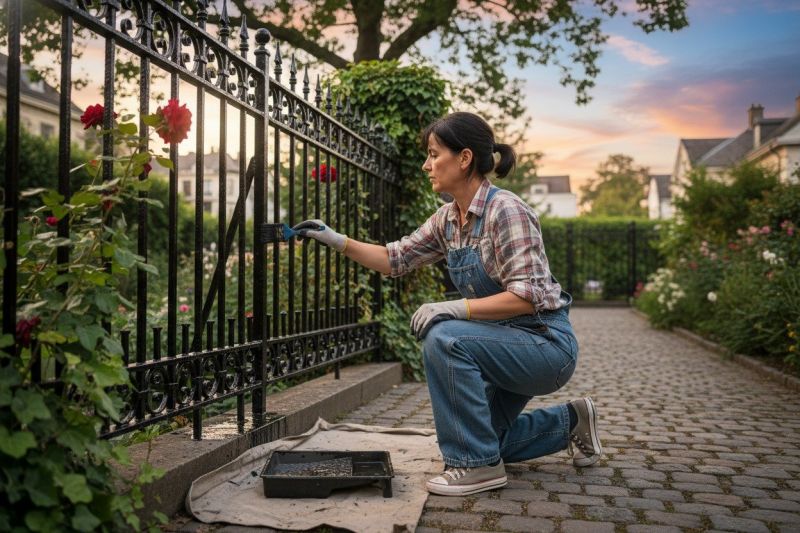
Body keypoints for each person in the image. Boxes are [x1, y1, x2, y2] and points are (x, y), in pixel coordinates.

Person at [293, 112, 602, 497]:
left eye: (434, 154)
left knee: (445, 337)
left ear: (465, 158)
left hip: (544, 344)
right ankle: (571, 421)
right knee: (488, 439)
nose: (426, 164)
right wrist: (336, 240)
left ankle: (477, 468)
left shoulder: (506, 210)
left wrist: (455, 309)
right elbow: (395, 259)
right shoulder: (448, 220)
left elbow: (528, 295)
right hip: (499, 344)